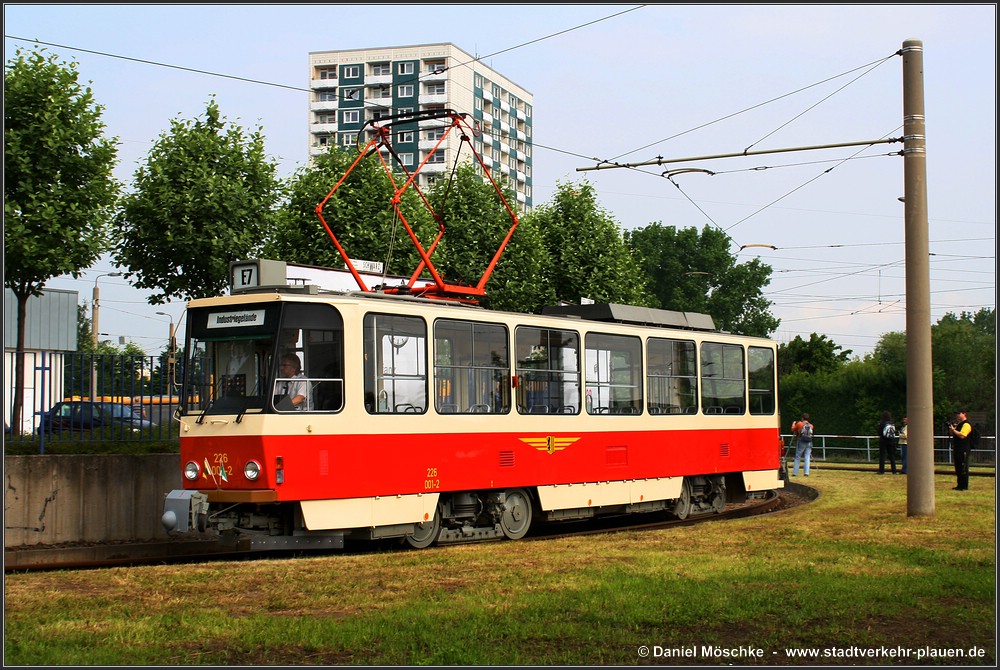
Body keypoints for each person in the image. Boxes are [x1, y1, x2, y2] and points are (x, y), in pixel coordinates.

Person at [946, 408, 972, 490]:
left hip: (963, 449)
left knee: (963, 467)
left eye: (958, 413)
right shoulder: (959, 424)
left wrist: (953, 430)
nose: (957, 415)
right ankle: (959, 485)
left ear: (964, 414)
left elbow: (962, 435)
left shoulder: (966, 425)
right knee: (958, 467)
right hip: (958, 449)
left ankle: (964, 486)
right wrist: (952, 429)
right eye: (956, 414)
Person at [877, 411, 898, 475]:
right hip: (891, 441)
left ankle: (881, 471)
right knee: (891, 456)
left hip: (883, 440)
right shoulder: (892, 423)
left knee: (882, 456)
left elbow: (879, 432)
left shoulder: (882, 423)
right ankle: (894, 471)